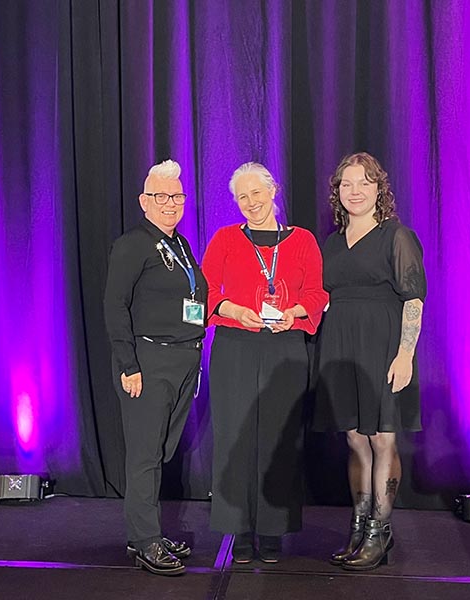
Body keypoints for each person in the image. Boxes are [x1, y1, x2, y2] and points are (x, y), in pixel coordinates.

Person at [202, 162, 328, 564]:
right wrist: (231, 309)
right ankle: (237, 529)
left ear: (273, 192)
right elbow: (200, 293)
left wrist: (295, 312)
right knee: (235, 438)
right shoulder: (224, 239)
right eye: (242, 196)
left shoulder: (303, 240)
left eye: (257, 193)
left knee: (278, 439)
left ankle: (272, 530)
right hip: (235, 345)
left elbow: (317, 292)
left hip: (284, 345)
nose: (251, 202)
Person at [314, 152, 426, 571]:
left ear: (379, 189)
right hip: (341, 349)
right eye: (346, 184)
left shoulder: (396, 236)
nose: (354, 191)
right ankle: (359, 528)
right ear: (337, 192)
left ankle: (380, 532)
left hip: (383, 348)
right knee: (355, 440)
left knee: (382, 438)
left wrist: (405, 354)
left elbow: (413, 298)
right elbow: (322, 297)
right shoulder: (330, 243)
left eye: (363, 182)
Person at [103, 159, 207, 576]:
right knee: (146, 454)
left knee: (163, 450)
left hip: (184, 359)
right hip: (148, 361)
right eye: (161, 196)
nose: (170, 204)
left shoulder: (179, 244)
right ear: (144, 201)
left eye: (177, 197)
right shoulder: (132, 244)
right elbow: (115, 306)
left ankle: (150, 532)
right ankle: (144, 540)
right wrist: (128, 364)